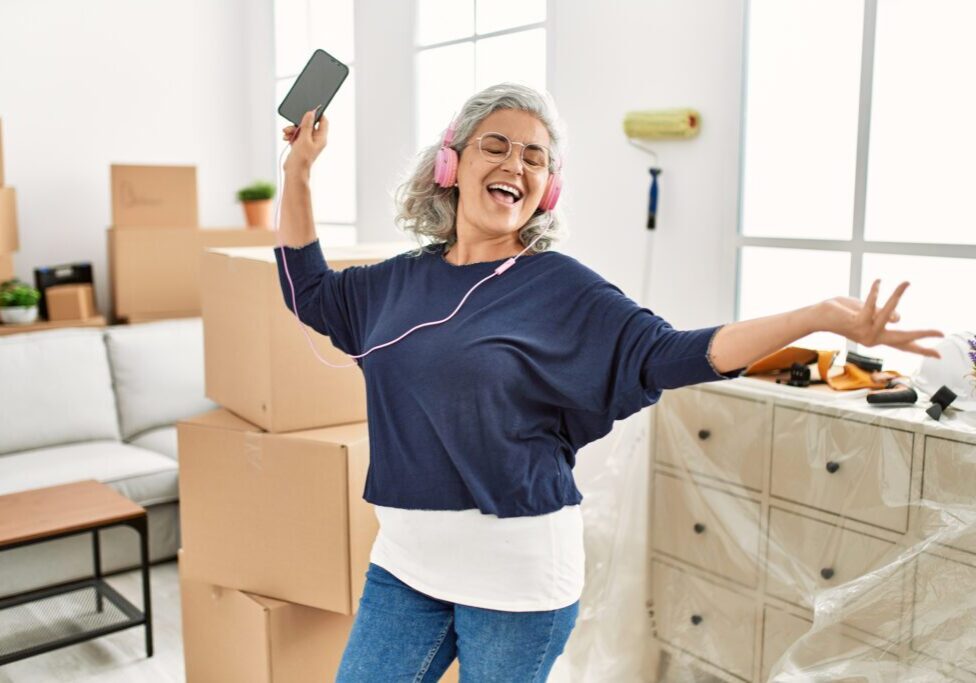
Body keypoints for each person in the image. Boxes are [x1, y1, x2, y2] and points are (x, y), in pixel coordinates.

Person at [274, 83, 942, 682]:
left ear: (548, 189)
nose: (515, 165)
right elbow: (308, 289)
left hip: (517, 585)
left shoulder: (562, 288)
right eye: (496, 146)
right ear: (451, 164)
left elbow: (673, 353)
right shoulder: (396, 281)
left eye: (535, 157)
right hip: (406, 565)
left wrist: (814, 316)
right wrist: (298, 170)